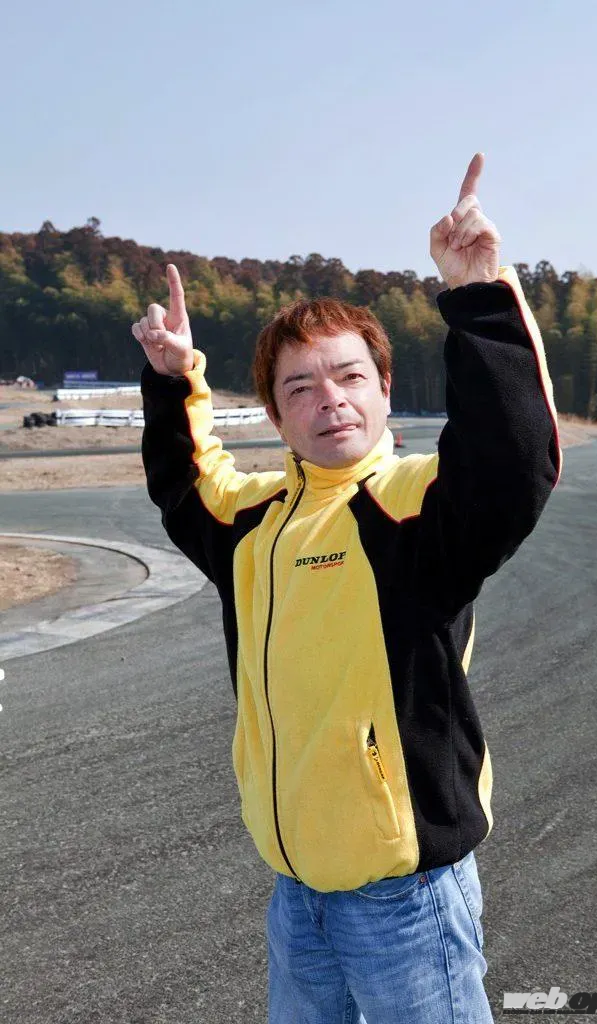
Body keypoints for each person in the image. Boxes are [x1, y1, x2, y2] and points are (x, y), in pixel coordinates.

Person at [133, 153, 561, 1024]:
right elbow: (185, 481)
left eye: (349, 376)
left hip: (405, 900)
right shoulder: (252, 520)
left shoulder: (412, 504)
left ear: (384, 389)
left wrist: (478, 292)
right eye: (300, 386)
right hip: (296, 897)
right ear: (275, 414)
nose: (328, 399)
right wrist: (175, 378)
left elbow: (510, 463)